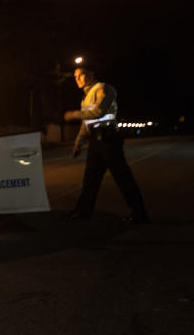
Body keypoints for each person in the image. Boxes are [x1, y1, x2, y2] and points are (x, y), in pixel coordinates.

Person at [62, 64, 149, 224]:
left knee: (122, 177)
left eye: (80, 75)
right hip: (96, 139)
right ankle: (82, 212)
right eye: (75, 76)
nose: (77, 79)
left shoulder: (105, 88)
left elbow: (99, 112)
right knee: (90, 179)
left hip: (109, 138)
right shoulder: (85, 97)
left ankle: (139, 214)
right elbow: (86, 122)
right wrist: (78, 143)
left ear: (91, 73)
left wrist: (73, 114)